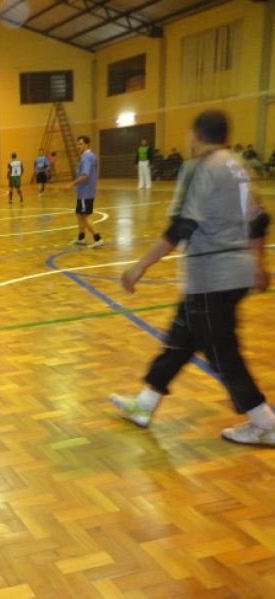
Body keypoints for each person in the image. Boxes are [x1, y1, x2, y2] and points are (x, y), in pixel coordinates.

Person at [110, 109, 274, 446]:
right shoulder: (239, 165)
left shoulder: (200, 167)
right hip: (235, 273)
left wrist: (140, 265)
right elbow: (259, 220)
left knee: (222, 352)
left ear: (196, 136)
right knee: (180, 340)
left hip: (211, 277)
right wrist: (259, 264)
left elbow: (183, 225)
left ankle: (266, 422)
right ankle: (144, 404)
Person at [71, 135, 103, 248]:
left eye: (80, 144)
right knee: (79, 214)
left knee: (84, 216)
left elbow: (85, 175)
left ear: (87, 144)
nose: (78, 146)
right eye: (77, 144)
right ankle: (81, 238)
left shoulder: (86, 156)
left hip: (85, 192)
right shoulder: (91, 156)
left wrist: (72, 184)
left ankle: (97, 238)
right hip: (84, 191)